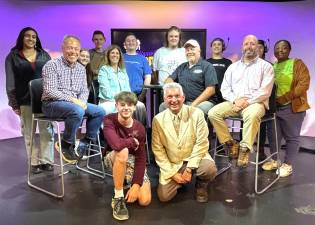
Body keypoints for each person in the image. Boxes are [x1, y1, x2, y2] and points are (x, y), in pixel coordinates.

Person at [208, 34, 274, 167]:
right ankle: (231, 143)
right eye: (246, 43)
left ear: (257, 47)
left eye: (252, 43)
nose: (249, 46)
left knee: (252, 114)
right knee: (213, 113)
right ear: (242, 47)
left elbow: (265, 91)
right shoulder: (233, 67)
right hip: (235, 102)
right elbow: (225, 88)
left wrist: (246, 102)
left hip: (255, 103)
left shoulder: (266, 67)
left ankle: (244, 149)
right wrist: (235, 101)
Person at [41, 35, 105, 163]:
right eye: (70, 48)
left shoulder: (81, 68)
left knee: (99, 111)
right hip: (51, 104)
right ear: (63, 48)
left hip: (73, 105)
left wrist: (81, 101)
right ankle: (65, 144)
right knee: (77, 111)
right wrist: (73, 100)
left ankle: (85, 142)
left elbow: (83, 90)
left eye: (76, 49)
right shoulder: (52, 65)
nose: (74, 52)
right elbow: (50, 91)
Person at [152, 83, 217, 203]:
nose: (174, 100)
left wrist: (189, 169)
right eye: (170, 97)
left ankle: (201, 185)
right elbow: (158, 150)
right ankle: (180, 181)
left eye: (177, 96)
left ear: (183, 97)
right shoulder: (158, 120)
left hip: (195, 159)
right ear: (165, 99)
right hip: (173, 163)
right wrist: (172, 173)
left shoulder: (197, 114)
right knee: (164, 197)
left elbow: (202, 143)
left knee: (209, 169)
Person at [5, 27, 54, 174]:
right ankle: (34, 162)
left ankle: (47, 160)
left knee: (47, 131)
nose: (31, 39)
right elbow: (10, 82)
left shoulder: (44, 55)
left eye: (34, 36)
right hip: (24, 100)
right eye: (27, 36)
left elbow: (51, 77)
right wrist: (14, 103)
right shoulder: (13, 56)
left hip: (45, 100)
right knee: (29, 132)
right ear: (21, 38)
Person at [262, 40, 310, 177]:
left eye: (284, 48)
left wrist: (284, 98)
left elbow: (303, 84)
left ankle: (288, 165)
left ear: (289, 50)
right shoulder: (272, 66)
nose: (280, 50)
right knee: (273, 136)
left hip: (292, 106)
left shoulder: (297, 63)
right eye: (277, 48)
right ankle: (275, 161)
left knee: (292, 137)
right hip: (274, 108)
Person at [103, 91, 151, 221]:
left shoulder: (139, 128)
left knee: (144, 200)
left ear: (135, 107)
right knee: (123, 151)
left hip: (133, 159)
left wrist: (136, 184)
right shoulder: (108, 120)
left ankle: (126, 182)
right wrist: (131, 141)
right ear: (116, 106)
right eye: (122, 104)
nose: (126, 108)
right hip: (112, 157)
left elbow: (141, 158)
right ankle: (118, 197)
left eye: (129, 105)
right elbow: (116, 145)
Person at [163, 39, 218, 114]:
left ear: (199, 51)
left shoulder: (207, 66)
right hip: (184, 102)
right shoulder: (182, 67)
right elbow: (169, 79)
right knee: (163, 106)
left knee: (197, 111)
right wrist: (169, 85)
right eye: (187, 50)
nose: (189, 52)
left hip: (204, 102)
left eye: (192, 49)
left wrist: (193, 105)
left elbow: (211, 90)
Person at [98, 44, 147, 126]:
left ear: (120, 56)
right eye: (112, 53)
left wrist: (127, 99)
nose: (115, 55)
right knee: (116, 108)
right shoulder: (104, 70)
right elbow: (105, 90)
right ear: (108, 55)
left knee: (140, 106)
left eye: (117, 53)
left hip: (124, 100)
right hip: (109, 100)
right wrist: (120, 100)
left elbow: (127, 89)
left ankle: (139, 130)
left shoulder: (123, 71)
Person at [123, 33, 151, 103]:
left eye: (133, 40)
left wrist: (143, 94)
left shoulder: (142, 59)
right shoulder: (120, 57)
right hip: (122, 94)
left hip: (138, 94)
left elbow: (148, 77)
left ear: (137, 44)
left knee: (138, 114)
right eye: (128, 41)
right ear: (125, 44)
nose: (131, 42)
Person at [207, 37, 232, 104]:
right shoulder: (206, 62)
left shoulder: (228, 62)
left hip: (224, 95)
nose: (216, 46)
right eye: (214, 44)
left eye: (219, 44)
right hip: (209, 96)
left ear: (222, 47)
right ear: (211, 47)